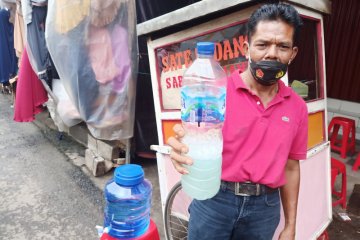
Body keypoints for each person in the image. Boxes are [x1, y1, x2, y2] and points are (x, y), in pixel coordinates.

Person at [167, 3, 308, 240]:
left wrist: (291, 224)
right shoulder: (216, 91)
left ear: (292, 54)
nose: (272, 54)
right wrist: (180, 147)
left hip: (265, 209)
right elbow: (190, 134)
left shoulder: (297, 107)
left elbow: (292, 167)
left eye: (282, 46)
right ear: (246, 48)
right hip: (214, 200)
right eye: (262, 44)